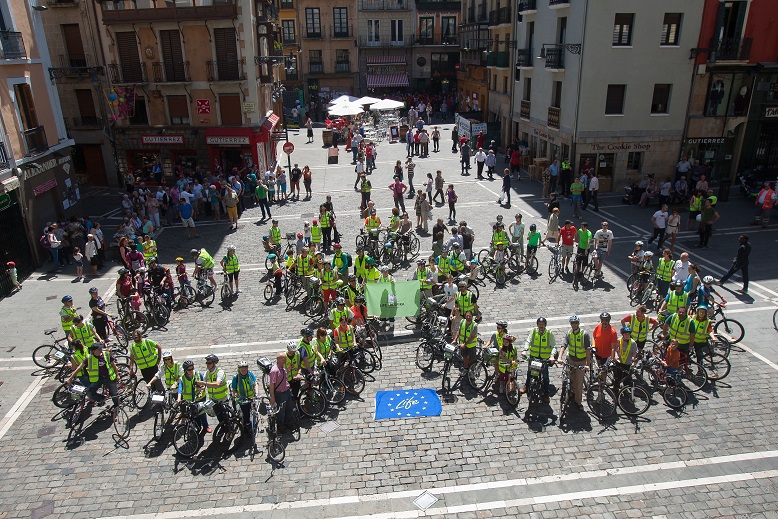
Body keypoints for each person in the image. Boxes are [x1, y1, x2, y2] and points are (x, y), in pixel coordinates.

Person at [67, 343, 120, 408]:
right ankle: (102, 399)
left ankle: (116, 406)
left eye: (101, 348)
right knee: (89, 393)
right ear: (94, 351)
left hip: (109, 377)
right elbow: (79, 368)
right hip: (98, 379)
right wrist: (70, 378)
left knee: (114, 393)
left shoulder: (106, 354)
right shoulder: (89, 358)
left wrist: (117, 375)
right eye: (99, 349)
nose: (101, 349)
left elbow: (114, 366)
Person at [559, 315, 591, 410]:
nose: (574, 325)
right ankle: (571, 393)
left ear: (578, 323)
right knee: (571, 379)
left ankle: (578, 401)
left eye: (575, 323)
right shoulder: (569, 333)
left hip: (581, 361)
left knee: (579, 382)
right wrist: (560, 357)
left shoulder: (584, 334)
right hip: (571, 360)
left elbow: (587, 350)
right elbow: (564, 345)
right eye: (572, 323)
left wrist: (587, 364)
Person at [521, 317, 557, 402]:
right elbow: (528, 341)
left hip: (544, 358)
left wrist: (552, 356)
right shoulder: (533, 332)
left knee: (545, 376)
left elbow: (554, 346)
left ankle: (546, 393)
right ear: (537, 325)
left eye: (543, 325)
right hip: (534, 357)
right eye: (539, 325)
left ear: (545, 325)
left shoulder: (549, 334)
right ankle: (526, 386)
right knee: (530, 372)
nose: (541, 326)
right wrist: (525, 350)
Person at [196, 354, 230, 426]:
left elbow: (217, 384)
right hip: (213, 400)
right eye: (207, 363)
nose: (207, 365)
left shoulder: (220, 372)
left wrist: (204, 383)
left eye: (209, 363)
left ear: (214, 363)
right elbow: (204, 386)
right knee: (219, 417)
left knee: (226, 418)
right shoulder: (207, 373)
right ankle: (223, 428)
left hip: (222, 399)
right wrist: (201, 390)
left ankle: (229, 429)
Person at [129, 330, 164, 394]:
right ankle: (154, 396)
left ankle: (162, 395)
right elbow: (131, 359)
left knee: (157, 383)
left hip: (153, 367)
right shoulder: (132, 347)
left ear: (140, 336)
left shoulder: (147, 342)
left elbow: (159, 347)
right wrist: (131, 369)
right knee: (149, 384)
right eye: (133, 338)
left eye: (136, 337)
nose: (134, 339)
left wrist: (158, 359)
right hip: (144, 369)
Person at [177, 359, 208, 431]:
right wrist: (179, 399)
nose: (191, 371)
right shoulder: (182, 378)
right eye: (189, 369)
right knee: (194, 415)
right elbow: (180, 389)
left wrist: (201, 392)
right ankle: (198, 427)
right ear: (185, 370)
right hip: (190, 400)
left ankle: (206, 426)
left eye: (192, 368)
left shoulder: (198, 374)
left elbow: (204, 384)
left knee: (202, 413)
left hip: (200, 398)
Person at [231, 360, 260, 434]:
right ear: (239, 370)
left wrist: (256, 393)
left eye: (245, 370)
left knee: (253, 410)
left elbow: (255, 384)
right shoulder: (236, 378)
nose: (244, 371)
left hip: (251, 397)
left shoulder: (250, 375)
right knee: (246, 415)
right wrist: (237, 395)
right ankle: (246, 428)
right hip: (242, 400)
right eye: (242, 370)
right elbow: (234, 389)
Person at [612, 327, 638, 394]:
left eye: (628, 334)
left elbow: (635, 352)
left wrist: (633, 358)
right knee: (617, 377)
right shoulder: (619, 341)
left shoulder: (633, 343)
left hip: (627, 363)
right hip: (619, 363)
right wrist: (615, 357)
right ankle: (616, 389)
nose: (627, 336)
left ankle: (625, 388)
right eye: (626, 334)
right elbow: (615, 349)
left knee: (627, 378)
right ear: (623, 335)